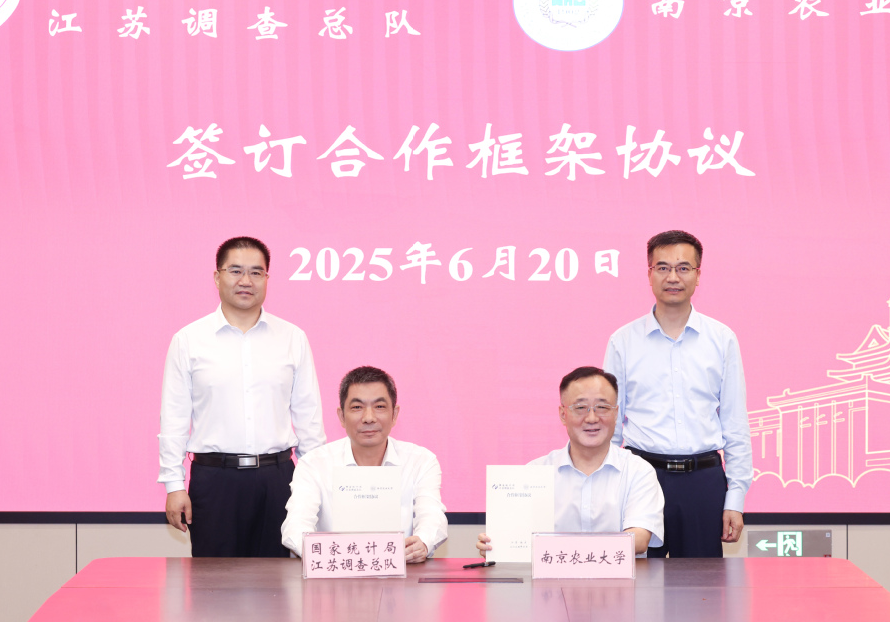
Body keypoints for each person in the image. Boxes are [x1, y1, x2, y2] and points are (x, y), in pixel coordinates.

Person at [158, 236, 326, 557]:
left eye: (256, 272)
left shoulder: (292, 338)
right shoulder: (189, 340)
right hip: (214, 481)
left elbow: (309, 418)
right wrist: (174, 485)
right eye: (235, 271)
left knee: (281, 581)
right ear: (217, 277)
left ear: (267, 278)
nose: (246, 281)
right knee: (215, 582)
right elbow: (174, 418)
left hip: (278, 480)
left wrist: (315, 485)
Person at [603, 229, 752, 558]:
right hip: (642, 477)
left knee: (703, 586)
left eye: (684, 268)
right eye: (663, 267)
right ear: (649, 274)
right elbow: (609, 425)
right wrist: (609, 490)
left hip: (704, 481)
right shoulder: (623, 341)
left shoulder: (722, 339)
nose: (673, 277)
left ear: (698, 275)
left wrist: (736, 499)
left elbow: (735, 422)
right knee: (638, 583)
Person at [477, 366, 664, 557]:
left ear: (616, 414)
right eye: (580, 408)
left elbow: (639, 540)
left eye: (602, 407)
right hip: (550, 578)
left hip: (619, 577)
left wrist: (564, 550)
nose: (592, 418)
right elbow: (515, 539)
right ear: (563, 414)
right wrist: (497, 545)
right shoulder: (535, 472)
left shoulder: (638, 471)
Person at [282, 366, 448, 562]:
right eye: (357, 407)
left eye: (379, 406)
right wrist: (325, 555)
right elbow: (296, 526)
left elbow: (432, 517)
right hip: (334, 573)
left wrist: (422, 543)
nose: (369, 418)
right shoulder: (313, 464)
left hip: (402, 571)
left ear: (395, 414)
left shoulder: (421, 461)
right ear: (341, 416)